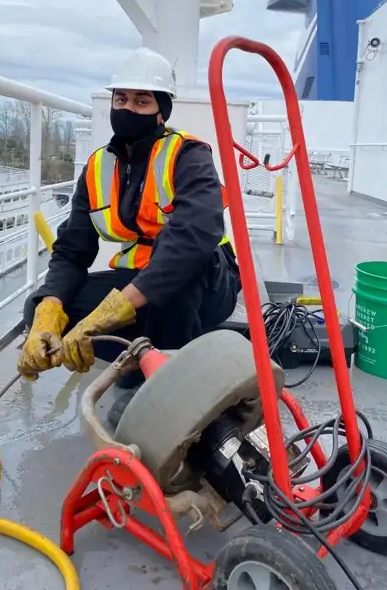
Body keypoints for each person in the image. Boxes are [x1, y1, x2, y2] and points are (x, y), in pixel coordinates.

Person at [17, 46, 242, 421]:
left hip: (206, 282)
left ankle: (166, 385)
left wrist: (116, 309)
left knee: (172, 287)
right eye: (121, 98)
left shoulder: (188, 155)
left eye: (141, 101)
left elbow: (193, 238)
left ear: (161, 110)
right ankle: (140, 356)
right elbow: (73, 251)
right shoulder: (97, 167)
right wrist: (48, 310)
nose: (128, 109)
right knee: (41, 307)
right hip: (140, 280)